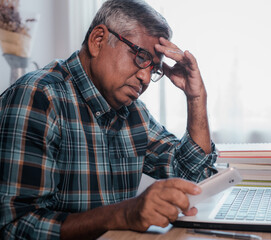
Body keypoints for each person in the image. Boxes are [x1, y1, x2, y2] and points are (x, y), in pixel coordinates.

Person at [0, 0, 217, 239]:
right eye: (140, 56)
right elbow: (14, 227)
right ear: (98, 40)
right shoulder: (38, 97)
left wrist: (195, 98)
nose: (145, 77)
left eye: (154, 69)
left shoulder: (134, 112)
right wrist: (122, 215)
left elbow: (194, 176)